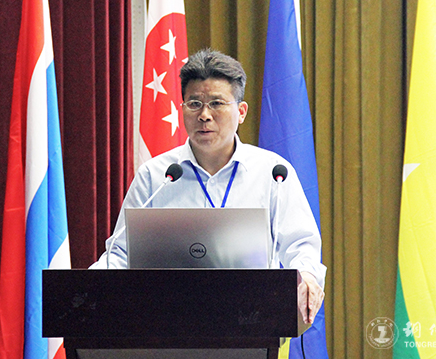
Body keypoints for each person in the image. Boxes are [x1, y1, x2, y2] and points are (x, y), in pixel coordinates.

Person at [91, 49, 326, 324]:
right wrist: (89, 285)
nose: (204, 115)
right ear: (182, 109)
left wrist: (307, 276)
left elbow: (301, 244)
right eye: (194, 104)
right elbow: (121, 252)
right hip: (168, 324)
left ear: (241, 112)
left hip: (253, 323)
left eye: (216, 103)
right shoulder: (156, 176)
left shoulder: (273, 173)